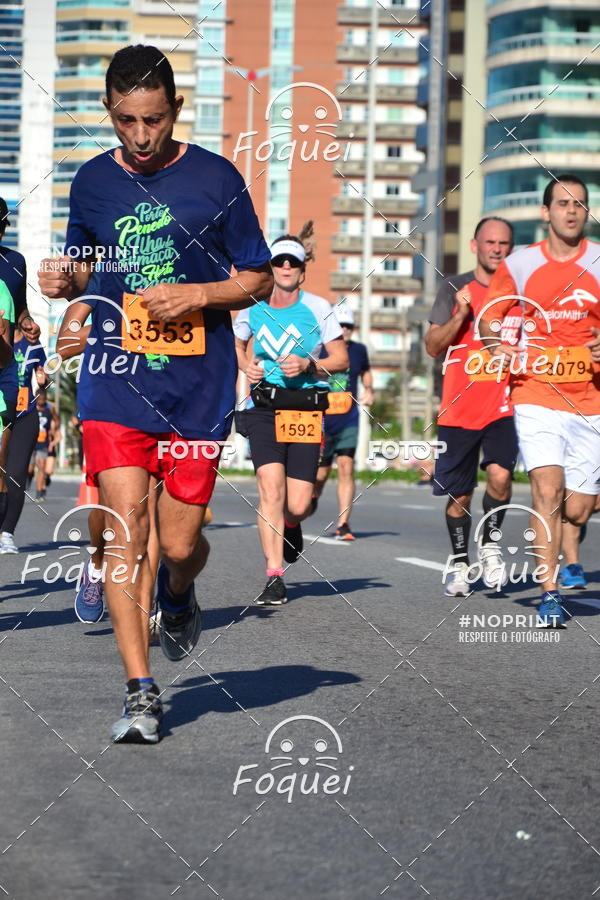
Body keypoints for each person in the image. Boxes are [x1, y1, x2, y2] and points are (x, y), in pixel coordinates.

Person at [38, 44, 272, 743]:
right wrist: (67, 286)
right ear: (109, 111)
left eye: (155, 120)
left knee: (177, 543)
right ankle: (140, 691)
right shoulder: (91, 182)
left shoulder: (217, 178)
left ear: (176, 110)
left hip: (197, 386)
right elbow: (89, 270)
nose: (141, 137)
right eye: (127, 121)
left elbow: (258, 277)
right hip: (115, 380)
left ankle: (179, 591)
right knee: (124, 532)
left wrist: (199, 294)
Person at [479, 174, 600, 627]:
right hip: (535, 391)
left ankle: (566, 529)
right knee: (546, 491)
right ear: (546, 212)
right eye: (563, 203)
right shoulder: (522, 264)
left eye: (579, 204)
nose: (572, 211)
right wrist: (497, 345)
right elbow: (490, 317)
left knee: (578, 509)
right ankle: (550, 592)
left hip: (590, 398)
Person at [233, 229, 348, 605]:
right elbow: (235, 342)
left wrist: (309, 364)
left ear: (302, 270)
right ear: (271, 267)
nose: (285, 267)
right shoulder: (252, 306)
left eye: (292, 262)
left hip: (303, 409)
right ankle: (274, 575)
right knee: (270, 490)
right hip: (263, 408)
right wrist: (245, 365)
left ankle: (292, 523)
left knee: (297, 504)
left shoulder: (318, 307)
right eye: (279, 261)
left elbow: (341, 358)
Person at [425, 217, 518, 596]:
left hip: (504, 406)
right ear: (474, 246)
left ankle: (491, 545)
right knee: (459, 496)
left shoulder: (520, 292)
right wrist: (461, 314)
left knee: (501, 477)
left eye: (503, 243)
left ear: (511, 248)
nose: (496, 249)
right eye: (490, 242)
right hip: (458, 410)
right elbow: (433, 346)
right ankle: (461, 563)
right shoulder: (453, 288)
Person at [313, 304, 373, 540]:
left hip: (349, 419)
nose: (345, 330)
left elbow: (366, 371)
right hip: (322, 421)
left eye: (349, 326)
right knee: (320, 475)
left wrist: (369, 389)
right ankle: (312, 497)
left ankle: (343, 524)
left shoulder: (358, 350)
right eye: (341, 326)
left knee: (346, 467)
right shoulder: (319, 349)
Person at [0, 325, 47, 551]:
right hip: (1, 411)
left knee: (16, 476)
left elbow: (45, 376)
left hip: (25, 414)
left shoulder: (32, 343)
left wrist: (44, 379)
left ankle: (6, 533)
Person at [32, 388, 59, 502]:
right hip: (31, 442)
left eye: (43, 400)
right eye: (39, 400)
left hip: (43, 443)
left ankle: (39, 493)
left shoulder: (50, 409)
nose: (41, 402)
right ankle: (29, 477)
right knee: (29, 469)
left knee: (41, 468)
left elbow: (56, 420)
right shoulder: (31, 408)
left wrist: (54, 429)